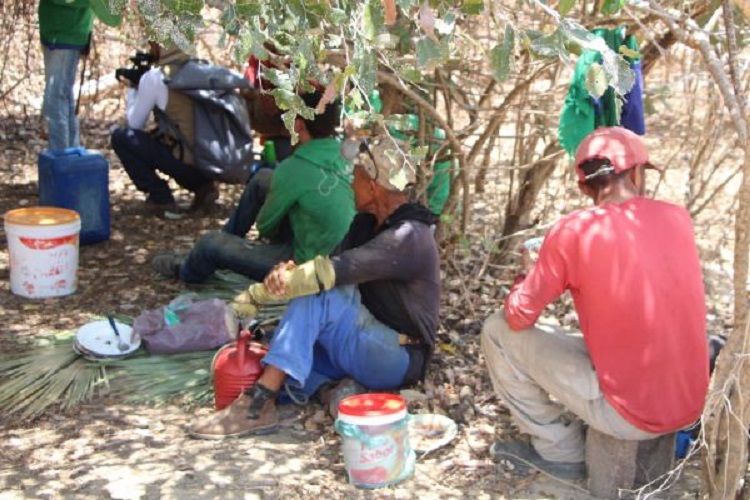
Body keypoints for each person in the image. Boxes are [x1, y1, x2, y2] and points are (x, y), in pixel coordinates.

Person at [481, 127, 709, 480]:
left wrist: (526, 275)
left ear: (584, 186)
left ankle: (559, 451)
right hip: (690, 402)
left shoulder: (574, 231)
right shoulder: (677, 217)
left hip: (631, 415)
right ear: (636, 174)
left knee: (496, 330)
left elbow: (518, 316)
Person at [188, 135, 441, 439]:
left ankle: (259, 405)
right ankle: (331, 390)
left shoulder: (409, 236)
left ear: (373, 187)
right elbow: (326, 264)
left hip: (397, 357)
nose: (350, 184)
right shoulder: (365, 224)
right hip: (362, 341)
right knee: (276, 345)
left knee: (315, 300)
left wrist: (257, 294)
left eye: (356, 178)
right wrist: (289, 272)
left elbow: (327, 275)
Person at [151, 91, 355, 283]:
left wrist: (280, 208)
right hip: (336, 253)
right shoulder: (345, 154)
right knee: (264, 178)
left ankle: (188, 269)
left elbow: (265, 227)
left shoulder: (294, 167)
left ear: (299, 126)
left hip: (305, 270)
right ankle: (229, 239)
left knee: (210, 243)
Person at [110, 42, 218, 215]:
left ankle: (159, 197)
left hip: (185, 164)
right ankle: (204, 187)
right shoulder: (203, 69)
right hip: (213, 164)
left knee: (121, 137)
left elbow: (135, 123)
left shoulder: (155, 77)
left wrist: (133, 89)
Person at [38, 0, 121, 151]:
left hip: (65, 34)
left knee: (56, 98)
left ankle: (60, 156)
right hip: (58, 32)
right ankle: (70, 153)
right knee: (64, 96)